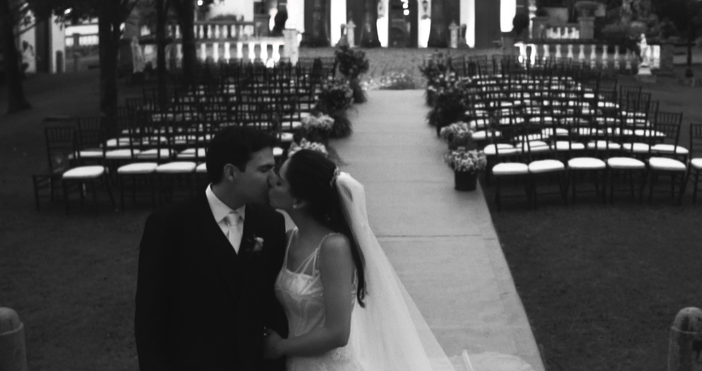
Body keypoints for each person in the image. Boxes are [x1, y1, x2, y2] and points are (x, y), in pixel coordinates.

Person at [264, 149, 533, 371]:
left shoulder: (333, 247)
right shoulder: (288, 239)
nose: (270, 183)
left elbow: (338, 333)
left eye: (278, 182)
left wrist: (281, 347)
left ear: (298, 200)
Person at [135, 126, 289, 371]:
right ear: (230, 172)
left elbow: (271, 303)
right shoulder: (169, 225)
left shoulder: (271, 223)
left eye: (273, 167)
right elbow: (150, 317)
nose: (274, 178)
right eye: (264, 169)